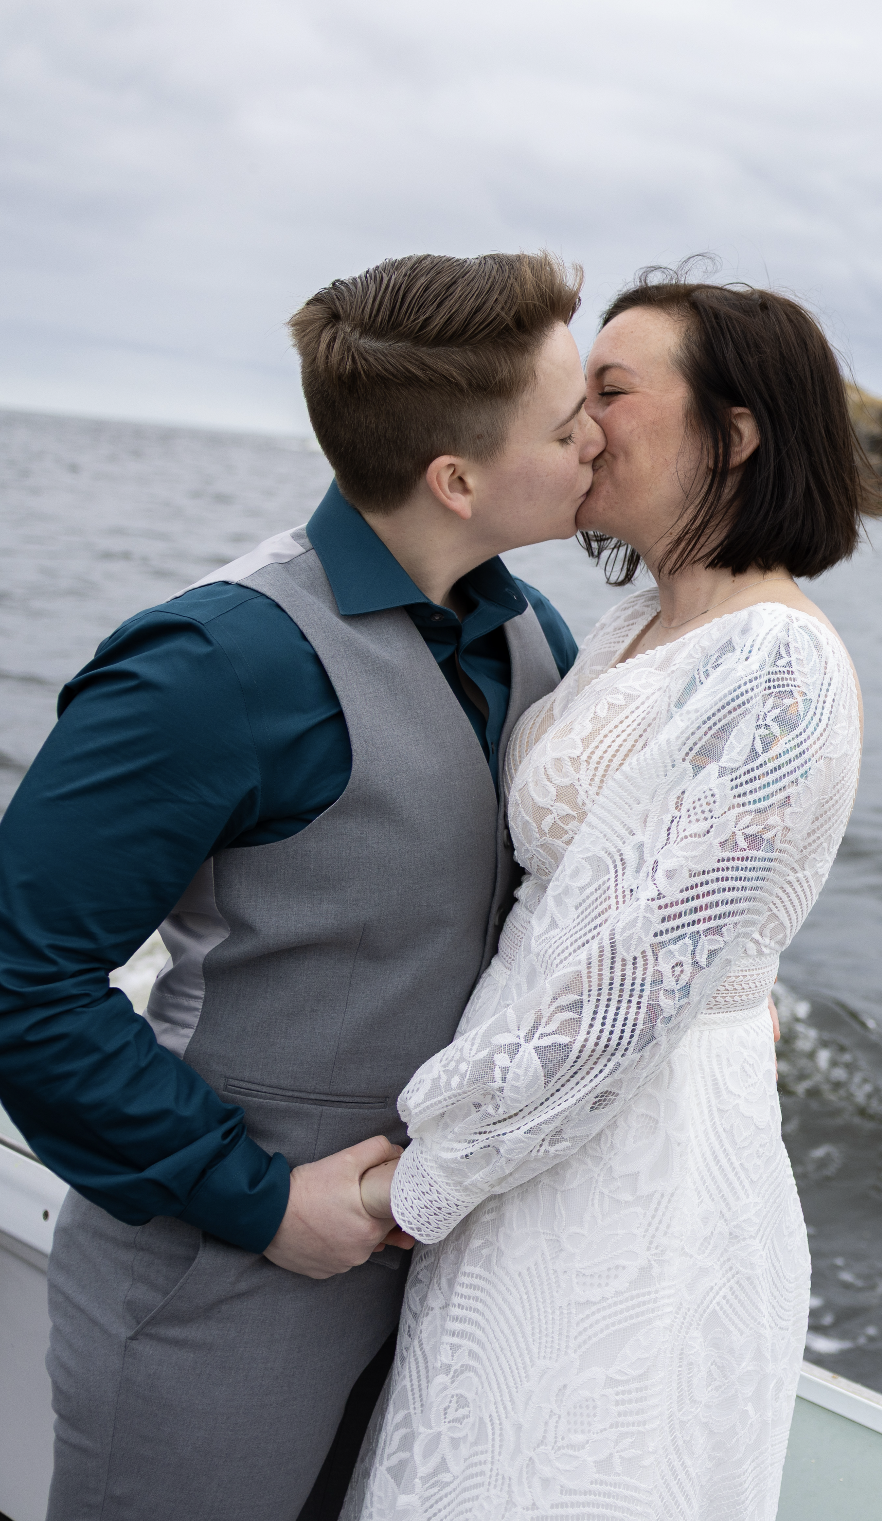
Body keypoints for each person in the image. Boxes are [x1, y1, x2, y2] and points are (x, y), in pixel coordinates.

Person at [0, 252, 605, 1519]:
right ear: (456, 478)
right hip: (213, 1295)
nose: (598, 435)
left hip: (443, 1300)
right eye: (567, 422)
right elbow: (21, 982)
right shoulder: (210, 662)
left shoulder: (535, 636)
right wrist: (260, 1199)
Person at [341, 272, 875, 1519]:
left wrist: (416, 1178)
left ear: (734, 435)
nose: (580, 420)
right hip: (534, 1132)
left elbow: (622, 996)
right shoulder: (635, 621)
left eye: (613, 390)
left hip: (628, 1151)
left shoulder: (777, 662)